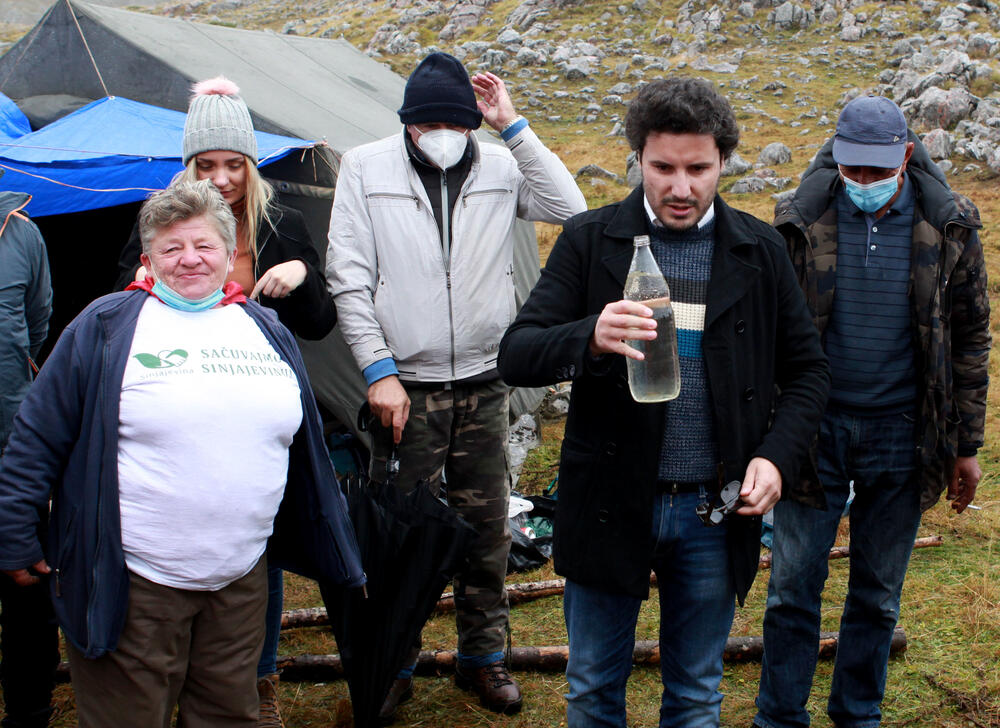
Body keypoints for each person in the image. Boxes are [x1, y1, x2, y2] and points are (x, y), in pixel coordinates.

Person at [497, 77, 830, 728]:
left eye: (698, 168)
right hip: (608, 502)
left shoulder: (760, 251)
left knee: (696, 694)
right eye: (663, 168)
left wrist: (777, 457)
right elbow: (517, 352)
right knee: (593, 689)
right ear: (638, 160)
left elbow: (809, 371)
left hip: (713, 513)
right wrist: (588, 334)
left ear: (724, 163)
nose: (681, 188)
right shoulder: (591, 239)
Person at [0, 180, 364, 728]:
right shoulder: (104, 327)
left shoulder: (263, 328)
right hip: (134, 580)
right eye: (172, 249)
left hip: (239, 579)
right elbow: (37, 435)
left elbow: (299, 445)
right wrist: (14, 531)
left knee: (226, 716)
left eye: (204, 246)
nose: (190, 259)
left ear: (229, 252)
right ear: (148, 258)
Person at [327, 51, 586, 719]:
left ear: (472, 122)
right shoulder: (365, 167)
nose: (440, 135)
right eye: (426, 125)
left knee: (485, 528)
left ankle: (483, 660)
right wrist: (378, 371)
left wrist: (513, 125)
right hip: (403, 389)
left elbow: (571, 207)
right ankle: (394, 660)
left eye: (455, 123)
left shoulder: (500, 163)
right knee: (397, 532)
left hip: (483, 379)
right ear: (406, 124)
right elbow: (349, 277)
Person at [753, 95, 990, 728]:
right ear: (835, 157)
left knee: (878, 596)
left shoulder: (952, 227)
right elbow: (770, 336)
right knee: (791, 591)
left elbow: (970, 339)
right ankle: (779, 716)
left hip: (905, 436)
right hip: (813, 432)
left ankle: (858, 714)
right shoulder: (799, 221)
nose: (860, 183)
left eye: (874, 173)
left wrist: (966, 445)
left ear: (906, 157)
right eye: (850, 170)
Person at [114, 76, 337, 728]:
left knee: (255, 541)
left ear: (250, 163)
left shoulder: (281, 222)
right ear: (188, 167)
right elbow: (120, 304)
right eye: (205, 165)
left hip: (258, 408)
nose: (220, 179)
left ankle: (257, 678)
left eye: (232, 164)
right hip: (177, 409)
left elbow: (320, 323)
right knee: (185, 541)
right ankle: (177, 675)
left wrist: (301, 275)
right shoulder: (161, 224)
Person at [0, 184, 57, 728]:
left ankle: (30, 712)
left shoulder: (22, 234)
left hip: (11, 445)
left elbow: (36, 323)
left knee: (24, 583)